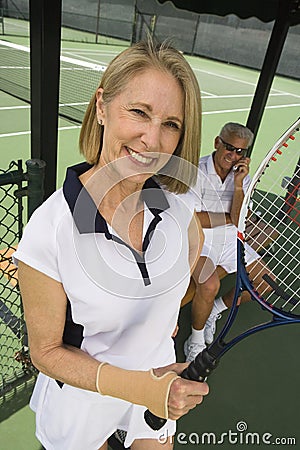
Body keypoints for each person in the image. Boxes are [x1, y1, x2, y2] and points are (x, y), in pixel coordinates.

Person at [13, 39, 209, 450]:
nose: (152, 139)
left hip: (157, 393)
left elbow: (178, 292)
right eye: (139, 112)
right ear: (101, 106)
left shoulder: (182, 216)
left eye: (171, 124)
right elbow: (46, 352)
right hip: (82, 405)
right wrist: (138, 387)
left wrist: (158, 319)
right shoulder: (49, 229)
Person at [184, 122, 274, 362]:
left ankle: (215, 309)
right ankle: (194, 339)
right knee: (209, 284)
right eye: (229, 147)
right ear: (217, 143)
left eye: (240, 152)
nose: (233, 155)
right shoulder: (195, 170)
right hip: (199, 240)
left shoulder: (242, 177)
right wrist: (229, 218)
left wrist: (237, 185)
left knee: (266, 284)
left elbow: (239, 218)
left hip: (231, 240)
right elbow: (193, 219)